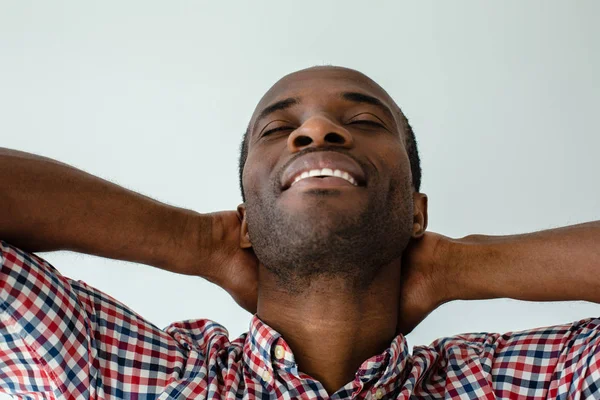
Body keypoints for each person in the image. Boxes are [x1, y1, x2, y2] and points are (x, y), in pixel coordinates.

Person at [0, 66, 598, 400]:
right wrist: (198, 242)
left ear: (417, 214)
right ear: (244, 220)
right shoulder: (130, 377)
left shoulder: (515, 383)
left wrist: (455, 265)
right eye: (277, 129)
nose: (315, 129)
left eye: (364, 120)